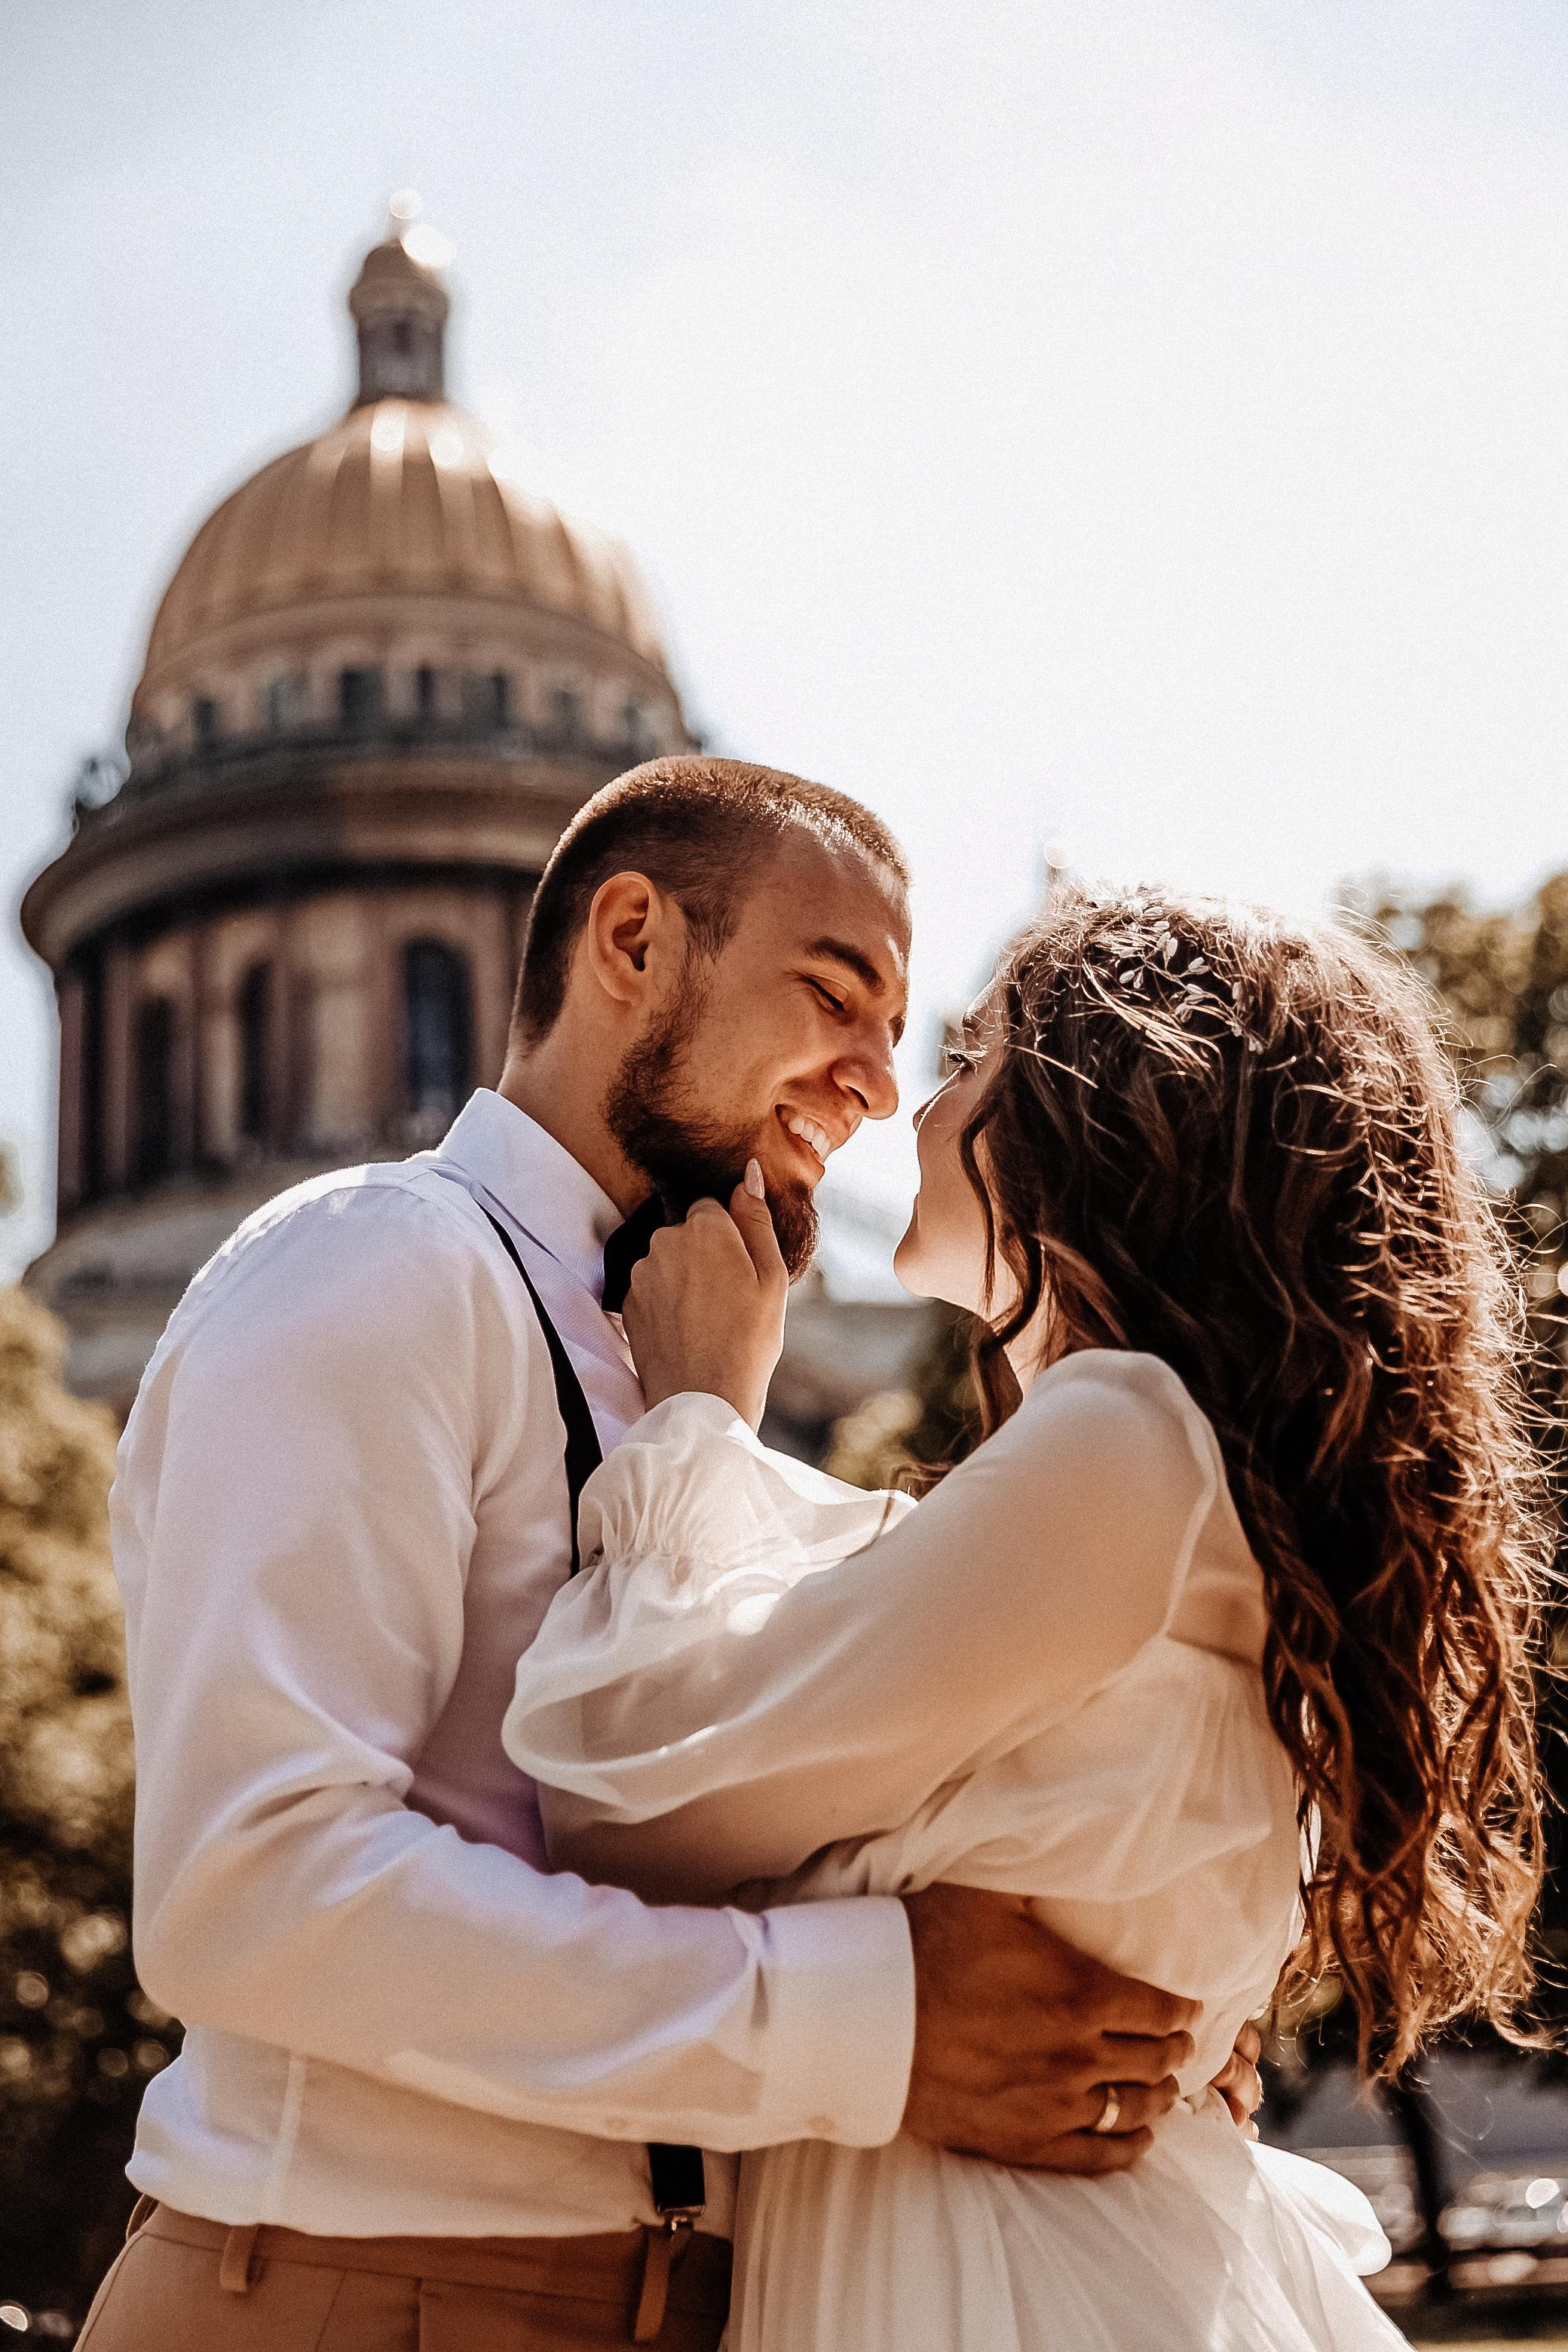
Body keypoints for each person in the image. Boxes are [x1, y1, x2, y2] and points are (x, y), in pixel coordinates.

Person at [80, 762, 1261, 2352]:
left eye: (899, 1041)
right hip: (357, 2287)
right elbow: (254, 1891)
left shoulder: (695, 1361)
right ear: (628, 939)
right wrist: (886, 2022)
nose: (867, 1089)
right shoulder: (375, 1269)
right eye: (832, 999)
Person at [504, 882, 1551, 2350]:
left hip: (998, 2282)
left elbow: (624, 1793)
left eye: (964, 1057)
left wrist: (692, 1417)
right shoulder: (1165, 1475)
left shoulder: (1122, 1440)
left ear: (1090, 1106)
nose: (907, 1110)